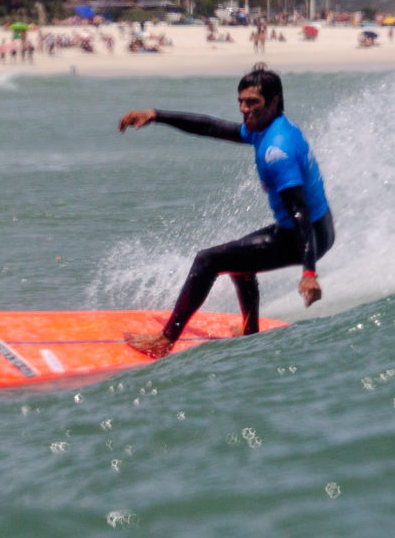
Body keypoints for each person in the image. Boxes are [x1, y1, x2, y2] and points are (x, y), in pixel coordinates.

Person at [116, 68, 332, 358]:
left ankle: (165, 340)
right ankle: (249, 329)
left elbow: (300, 213)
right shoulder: (268, 129)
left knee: (208, 260)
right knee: (236, 258)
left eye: (252, 102)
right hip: (312, 228)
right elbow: (210, 127)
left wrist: (308, 273)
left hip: (306, 234)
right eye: (241, 101)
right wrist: (156, 115)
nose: (244, 109)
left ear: (274, 101)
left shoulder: (276, 150)